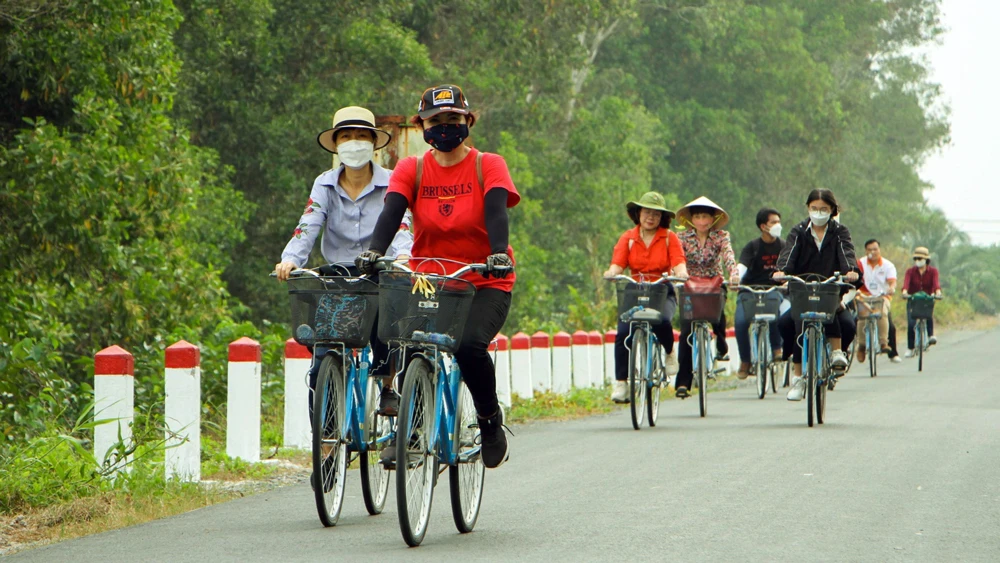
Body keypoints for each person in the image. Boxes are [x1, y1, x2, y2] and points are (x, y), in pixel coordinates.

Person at [356, 84, 519, 469]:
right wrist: (375, 252)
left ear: (468, 121)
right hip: (431, 279)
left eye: (452, 119)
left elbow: (497, 212)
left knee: (467, 345)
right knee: (409, 341)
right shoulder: (411, 168)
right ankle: (410, 433)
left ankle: (489, 421)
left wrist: (497, 254)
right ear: (422, 125)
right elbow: (391, 212)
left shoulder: (488, 164)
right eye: (435, 121)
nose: (444, 127)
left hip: (483, 280)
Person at [275, 106, 412, 414]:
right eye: (346, 136)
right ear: (336, 145)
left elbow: (403, 223)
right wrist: (290, 260)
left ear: (374, 143)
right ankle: (325, 436)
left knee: (385, 327)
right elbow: (308, 224)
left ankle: (387, 386)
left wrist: (404, 256)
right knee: (323, 346)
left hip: (382, 272)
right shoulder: (324, 183)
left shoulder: (393, 182)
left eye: (362, 136)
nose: (354, 142)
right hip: (337, 274)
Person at [773, 188, 860, 401]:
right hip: (803, 291)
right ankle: (798, 379)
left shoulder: (839, 232)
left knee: (848, 325)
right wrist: (782, 271)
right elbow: (788, 254)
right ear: (807, 208)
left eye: (823, 209)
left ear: (831, 210)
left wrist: (850, 271)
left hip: (831, 290)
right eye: (814, 208)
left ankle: (837, 354)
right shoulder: (798, 232)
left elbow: (847, 253)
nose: (818, 212)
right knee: (789, 324)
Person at [603, 192, 688, 403]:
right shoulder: (628, 238)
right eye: (647, 212)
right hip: (635, 291)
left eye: (656, 214)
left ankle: (669, 352)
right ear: (638, 213)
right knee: (623, 332)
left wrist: (681, 273)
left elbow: (678, 261)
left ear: (662, 218)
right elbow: (617, 263)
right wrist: (612, 273)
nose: (651, 217)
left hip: (661, 290)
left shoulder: (669, 237)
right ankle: (621, 383)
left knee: (663, 320)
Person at [673, 197, 740, 399]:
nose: (702, 221)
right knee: (686, 331)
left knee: (717, 313)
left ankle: (721, 343)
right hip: (689, 285)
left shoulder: (721, 236)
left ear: (713, 219)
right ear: (691, 219)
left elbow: (728, 256)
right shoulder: (681, 238)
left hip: (713, 283)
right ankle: (683, 382)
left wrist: (734, 274)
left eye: (705, 217)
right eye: (698, 216)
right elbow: (676, 259)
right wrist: (675, 275)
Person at [735, 207, 785, 378]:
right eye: (774, 222)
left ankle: (777, 348)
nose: (778, 225)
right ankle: (745, 361)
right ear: (763, 226)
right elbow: (741, 267)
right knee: (741, 323)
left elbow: (791, 267)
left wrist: (787, 280)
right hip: (749, 291)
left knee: (776, 317)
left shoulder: (784, 246)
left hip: (773, 290)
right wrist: (736, 278)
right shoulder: (753, 246)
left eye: (779, 222)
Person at [854, 239, 896, 363]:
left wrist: (891, 288)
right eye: (870, 249)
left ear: (879, 249)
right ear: (866, 251)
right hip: (864, 296)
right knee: (862, 315)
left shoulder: (888, 265)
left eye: (875, 249)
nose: (873, 252)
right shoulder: (859, 264)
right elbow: (854, 279)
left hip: (882, 297)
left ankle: (884, 343)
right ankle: (861, 345)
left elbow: (892, 282)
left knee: (882, 313)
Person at [901, 246, 942, 356]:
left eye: (920, 258)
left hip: (927, 299)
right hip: (913, 300)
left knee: (928, 315)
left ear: (926, 260)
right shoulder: (910, 271)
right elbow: (906, 284)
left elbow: (936, 284)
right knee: (911, 324)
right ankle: (910, 348)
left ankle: (930, 335)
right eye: (916, 259)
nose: (918, 261)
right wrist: (905, 292)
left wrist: (937, 292)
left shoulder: (933, 271)